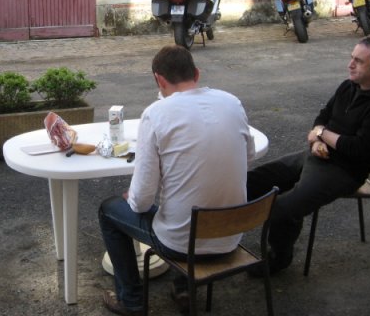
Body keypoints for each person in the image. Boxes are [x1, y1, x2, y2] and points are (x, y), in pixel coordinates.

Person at [98, 45, 255, 315]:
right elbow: (248, 157)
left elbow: (141, 200)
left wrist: (133, 196)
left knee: (109, 210)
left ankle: (131, 301)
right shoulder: (232, 102)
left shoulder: (156, 114)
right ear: (197, 73)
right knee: (188, 200)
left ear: (159, 80)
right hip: (230, 236)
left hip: (182, 245)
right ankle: (183, 288)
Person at [247, 35, 370, 275]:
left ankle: (279, 258)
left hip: (344, 171)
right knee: (255, 179)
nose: (350, 64)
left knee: (282, 209)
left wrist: (321, 134)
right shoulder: (348, 86)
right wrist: (317, 138)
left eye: (359, 61)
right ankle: (218, 237)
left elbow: (359, 148)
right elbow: (322, 116)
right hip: (316, 155)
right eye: (351, 58)